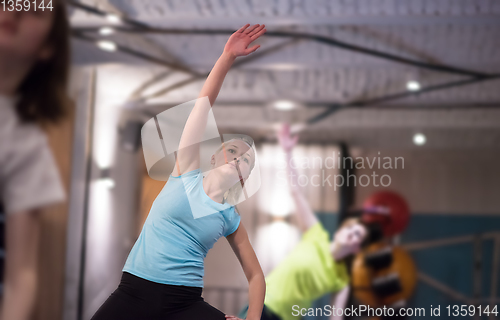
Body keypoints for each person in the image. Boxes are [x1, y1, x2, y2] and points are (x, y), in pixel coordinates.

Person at [91, 24, 267, 320]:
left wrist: (252, 319)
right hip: (134, 292)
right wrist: (226, 58)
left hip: (184, 304)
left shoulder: (230, 217)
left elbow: (256, 276)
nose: (238, 160)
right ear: (214, 157)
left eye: (246, 162)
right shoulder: (185, 171)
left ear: (245, 178)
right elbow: (203, 106)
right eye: (233, 151)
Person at [237, 124, 369, 320]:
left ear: (357, 248)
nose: (353, 234)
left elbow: (336, 316)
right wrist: (288, 152)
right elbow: (296, 193)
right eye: (351, 228)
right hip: (264, 304)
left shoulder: (342, 280)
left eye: (358, 235)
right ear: (340, 231)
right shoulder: (317, 235)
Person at [0, 1, 70, 320]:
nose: (13, 11)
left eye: (35, 10)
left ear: (48, 47)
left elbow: (22, 275)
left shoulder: (25, 146)